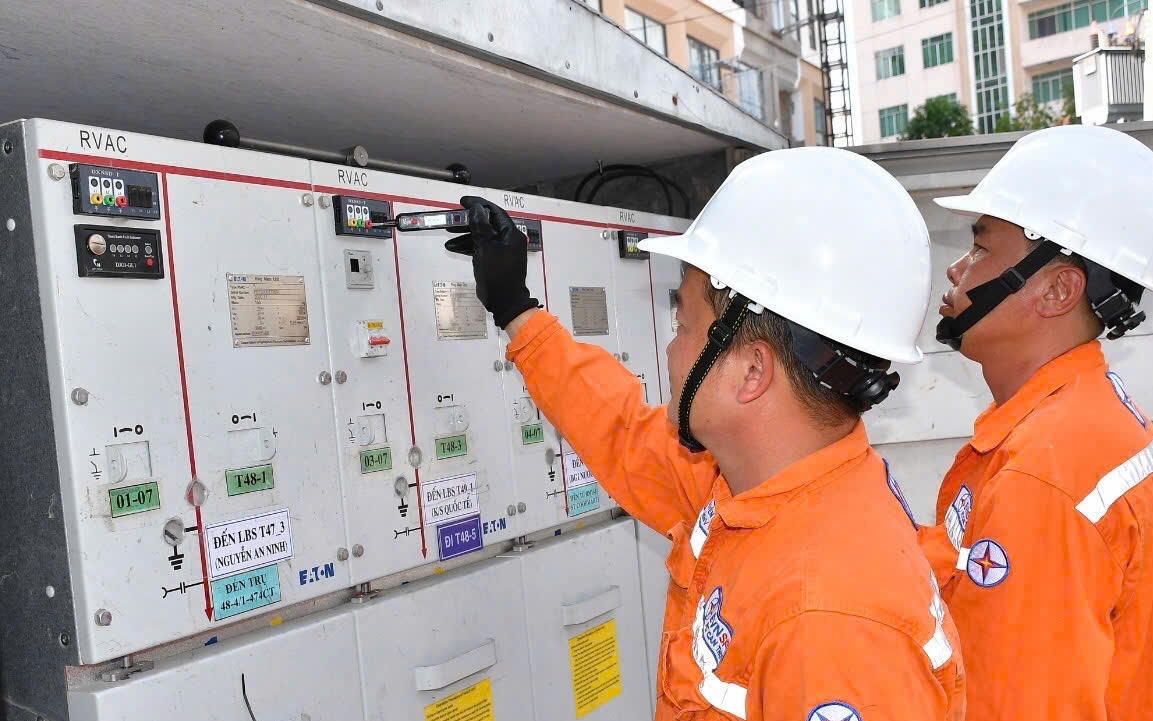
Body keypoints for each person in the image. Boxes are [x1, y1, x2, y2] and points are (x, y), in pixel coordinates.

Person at [445, 148, 965, 721]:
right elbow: (623, 432)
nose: (670, 351)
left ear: (752, 371)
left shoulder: (827, 622)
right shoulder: (762, 488)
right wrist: (516, 308)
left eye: (683, 325)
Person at [918, 124, 1153, 721]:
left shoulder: (1044, 473)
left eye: (980, 249)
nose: (957, 269)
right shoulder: (1069, 425)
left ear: (1057, 290)